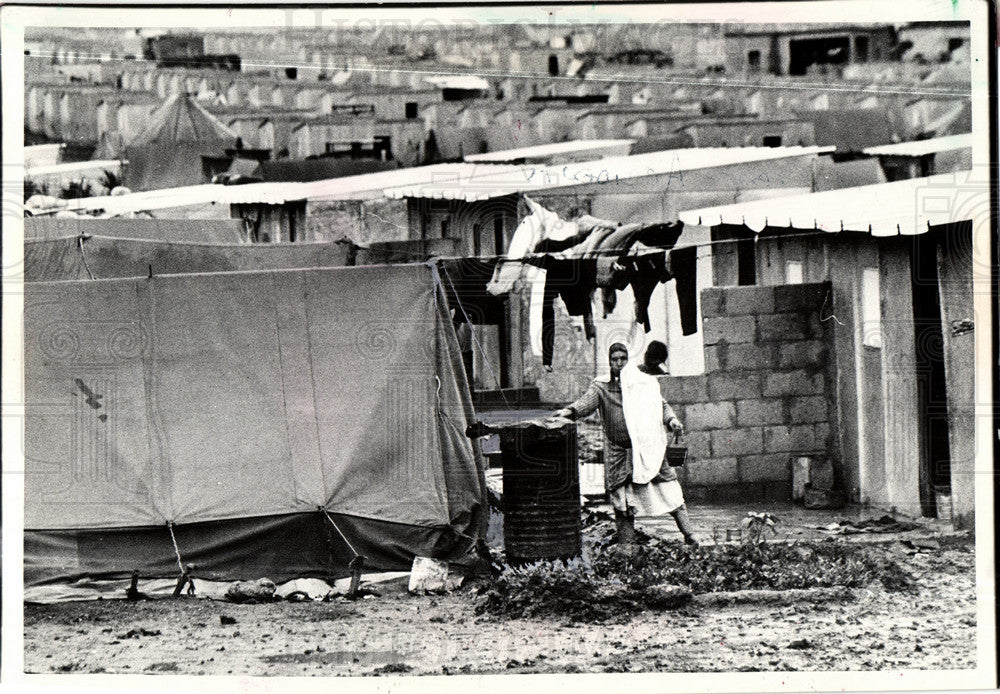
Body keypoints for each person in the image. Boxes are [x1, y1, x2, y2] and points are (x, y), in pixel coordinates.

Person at [553, 342, 697, 545]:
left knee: (670, 492)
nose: (619, 363)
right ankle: (626, 550)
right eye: (615, 359)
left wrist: (671, 420)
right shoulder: (601, 387)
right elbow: (585, 404)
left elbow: (660, 404)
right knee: (623, 503)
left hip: (648, 449)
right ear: (609, 362)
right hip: (619, 453)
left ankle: (690, 536)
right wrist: (568, 412)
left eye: (623, 358)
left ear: (629, 360)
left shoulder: (643, 383)